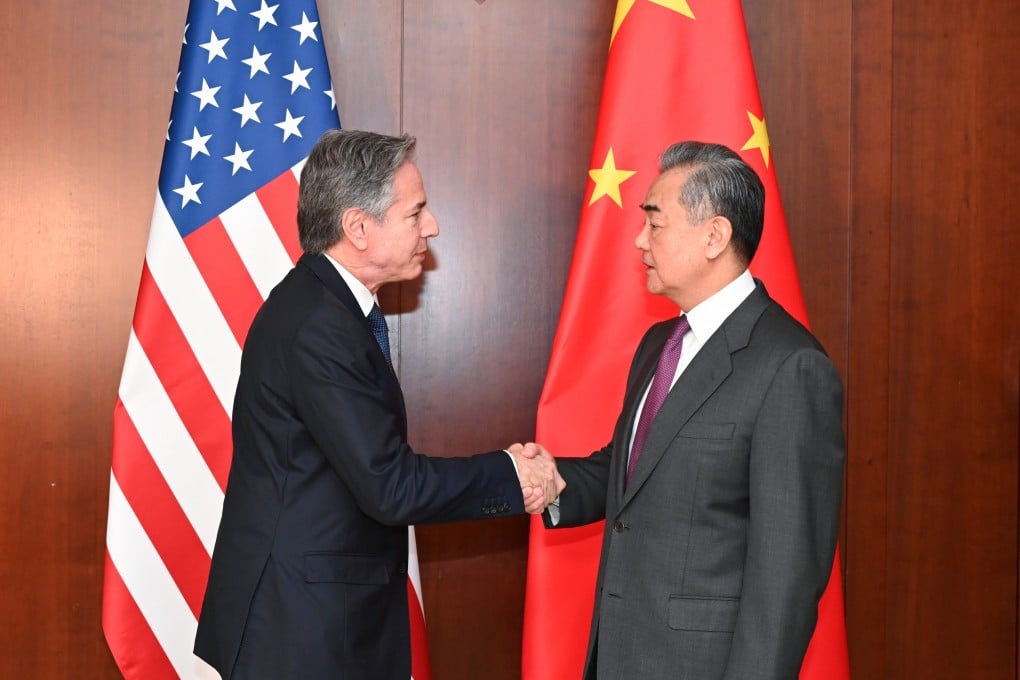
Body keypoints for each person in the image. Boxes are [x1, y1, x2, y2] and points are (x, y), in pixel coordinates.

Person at [194, 129, 561, 679]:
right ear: (358, 228)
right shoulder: (320, 325)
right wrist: (512, 474)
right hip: (299, 632)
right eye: (415, 213)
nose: (431, 226)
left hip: (313, 618)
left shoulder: (329, 309)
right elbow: (390, 487)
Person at [529, 141, 845, 679]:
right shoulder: (659, 343)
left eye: (655, 224)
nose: (638, 240)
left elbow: (786, 579)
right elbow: (631, 473)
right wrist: (550, 480)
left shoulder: (790, 366)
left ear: (714, 236)